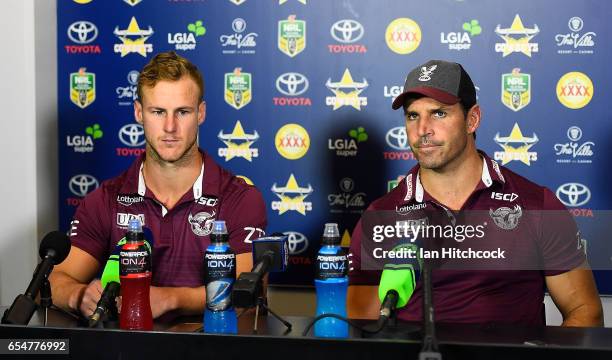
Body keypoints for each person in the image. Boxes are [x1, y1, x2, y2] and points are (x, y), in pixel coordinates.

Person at [347, 60, 603, 327]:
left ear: (473, 119)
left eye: (439, 113)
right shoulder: (380, 217)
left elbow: (584, 310)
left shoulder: (536, 205)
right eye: (413, 115)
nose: (423, 130)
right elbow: (364, 329)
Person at [50, 51, 267, 319]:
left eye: (183, 112)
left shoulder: (240, 198)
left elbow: (249, 291)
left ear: (201, 113)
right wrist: (78, 295)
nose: (170, 127)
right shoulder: (105, 199)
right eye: (158, 111)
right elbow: (55, 280)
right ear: (139, 112)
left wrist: (172, 298)